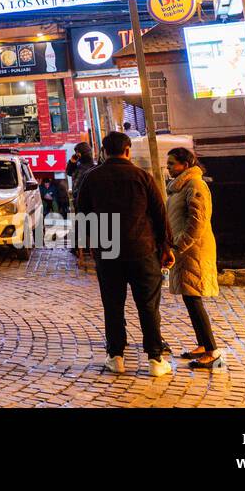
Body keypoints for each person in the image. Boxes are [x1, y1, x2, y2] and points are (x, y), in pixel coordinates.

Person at [75, 131, 173, 377]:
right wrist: (166, 247)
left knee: (113, 305)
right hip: (143, 249)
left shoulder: (91, 178)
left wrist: (92, 246)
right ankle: (154, 359)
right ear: (128, 150)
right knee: (148, 306)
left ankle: (116, 356)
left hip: (108, 252)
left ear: (104, 152)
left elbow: (83, 215)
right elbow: (160, 216)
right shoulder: (143, 177)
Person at [165, 147, 222, 370]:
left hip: (194, 250)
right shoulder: (180, 187)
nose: (168, 168)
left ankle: (212, 350)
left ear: (185, 165)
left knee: (194, 299)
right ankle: (202, 344)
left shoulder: (196, 185)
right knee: (190, 297)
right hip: (184, 249)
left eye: (172, 164)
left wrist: (180, 245)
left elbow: (197, 221)